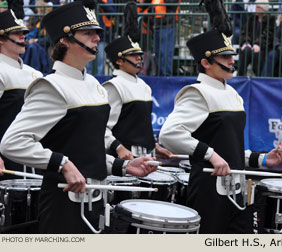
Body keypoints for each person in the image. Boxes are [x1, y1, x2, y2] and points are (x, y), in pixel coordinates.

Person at [0, 1, 157, 234]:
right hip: (64, 203)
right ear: (64, 40)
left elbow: (86, 150)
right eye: (88, 33)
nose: (96, 38)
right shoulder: (51, 86)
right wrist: (62, 163)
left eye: (96, 33)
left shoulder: (94, 84)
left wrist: (124, 166)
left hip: (96, 199)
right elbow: (11, 142)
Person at [159, 0, 282, 234]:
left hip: (236, 189)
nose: (232, 61)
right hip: (209, 189)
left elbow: (230, 148)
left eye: (231, 55)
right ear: (206, 63)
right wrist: (210, 155)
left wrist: (264, 159)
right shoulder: (197, 92)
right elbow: (169, 134)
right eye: (225, 57)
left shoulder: (232, 93)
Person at [103, 2, 172, 160]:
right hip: (124, 162)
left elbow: (139, 128)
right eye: (134, 55)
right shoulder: (113, 86)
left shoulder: (143, 86)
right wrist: (118, 148)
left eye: (140, 54)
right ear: (119, 61)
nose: (139, 58)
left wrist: (152, 145)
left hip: (148, 157)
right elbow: (101, 127)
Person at [0, 8, 43, 180]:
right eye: (17, 33)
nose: (23, 36)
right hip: (6, 160)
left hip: (34, 157)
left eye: (24, 33)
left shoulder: (35, 74)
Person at [237, 0, 275, 76]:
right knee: (246, 50)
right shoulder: (252, 18)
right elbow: (245, 32)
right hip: (250, 45)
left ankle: (259, 77)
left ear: (263, 8)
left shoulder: (271, 19)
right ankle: (240, 76)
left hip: (264, 47)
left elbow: (268, 35)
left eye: (257, 7)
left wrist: (258, 44)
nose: (255, 9)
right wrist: (246, 42)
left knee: (256, 53)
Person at [152, 0, 180, 76]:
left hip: (168, 24)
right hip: (158, 25)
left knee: (165, 52)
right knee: (158, 52)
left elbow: (172, 4)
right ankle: (160, 73)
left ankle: (166, 75)